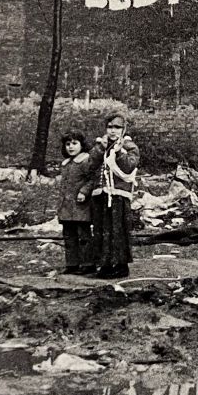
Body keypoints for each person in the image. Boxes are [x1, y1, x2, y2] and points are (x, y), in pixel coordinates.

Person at [89, 112, 140, 280]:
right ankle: (105, 264)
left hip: (119, 195)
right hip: (102, 194)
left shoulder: (129, 146)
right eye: (109, 127)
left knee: (118, 231)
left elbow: (129, 167)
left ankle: (121, 265)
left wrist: (119, 153)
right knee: (102, 230)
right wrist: (100, 149)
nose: (112, 131)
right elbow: (90, 165)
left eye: (117, 127)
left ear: (123, 129)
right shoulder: (101, 145)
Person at [57, 129, 94, 275]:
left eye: (74, 143)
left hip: (80, 206)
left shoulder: (85, 160)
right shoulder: (66, 163)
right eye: (68, 144)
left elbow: (92, 179)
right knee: (69, 236)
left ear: (82, 145)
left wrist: (84, 191)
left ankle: (88, 263)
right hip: (66, 207)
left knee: (83, 236)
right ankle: (72, 264)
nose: (71, 147)